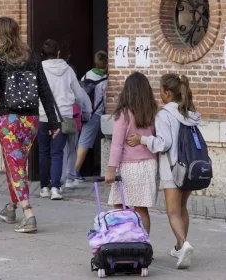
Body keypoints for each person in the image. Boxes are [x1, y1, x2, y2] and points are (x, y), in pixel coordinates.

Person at [0, 17, 60, 233]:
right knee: (16, 165)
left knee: (15, 166)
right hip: (31, 120)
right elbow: (44, 89)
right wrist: (53, 120)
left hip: (8, 120)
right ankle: (11, 208)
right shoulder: (32, 57)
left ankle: (28, 213)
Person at [127, 74, 200, 269]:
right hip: (191, 168)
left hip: (174, 170)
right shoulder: (190, 112)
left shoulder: (164, 115)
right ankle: (179, 245)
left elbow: (163, 143)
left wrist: (142, 139)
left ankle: (184, 245)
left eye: (160, 90)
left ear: (167, 93)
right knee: (183, 208)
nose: (159, 94)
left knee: (172, 212)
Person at [105, 72, 158, 234]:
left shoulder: (124, 115)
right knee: (141, 209)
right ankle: (144, 245)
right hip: (149, 165)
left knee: (120, 205)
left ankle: (124, 242)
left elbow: (117, 144)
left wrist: (111, 169)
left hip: (129, 167)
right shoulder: (152, 113)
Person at [38, 39, 89, 200]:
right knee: (57, 152)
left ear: (42, 54)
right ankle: (55, 188)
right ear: (58, 52)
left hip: (43, 115)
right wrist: (79, 106)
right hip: (64, 116)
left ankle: (44, 187)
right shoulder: (67, 70)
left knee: (44, 152)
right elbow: (79, 94)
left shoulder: (38, 69)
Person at [75, 51, 108, 183]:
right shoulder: (105, 81)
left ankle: (72, 170)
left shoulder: (86, 76)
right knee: (85, 142)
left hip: (82, 112)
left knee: (79, 140)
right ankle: (74, 171)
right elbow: (105, 101)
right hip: (95, 114)